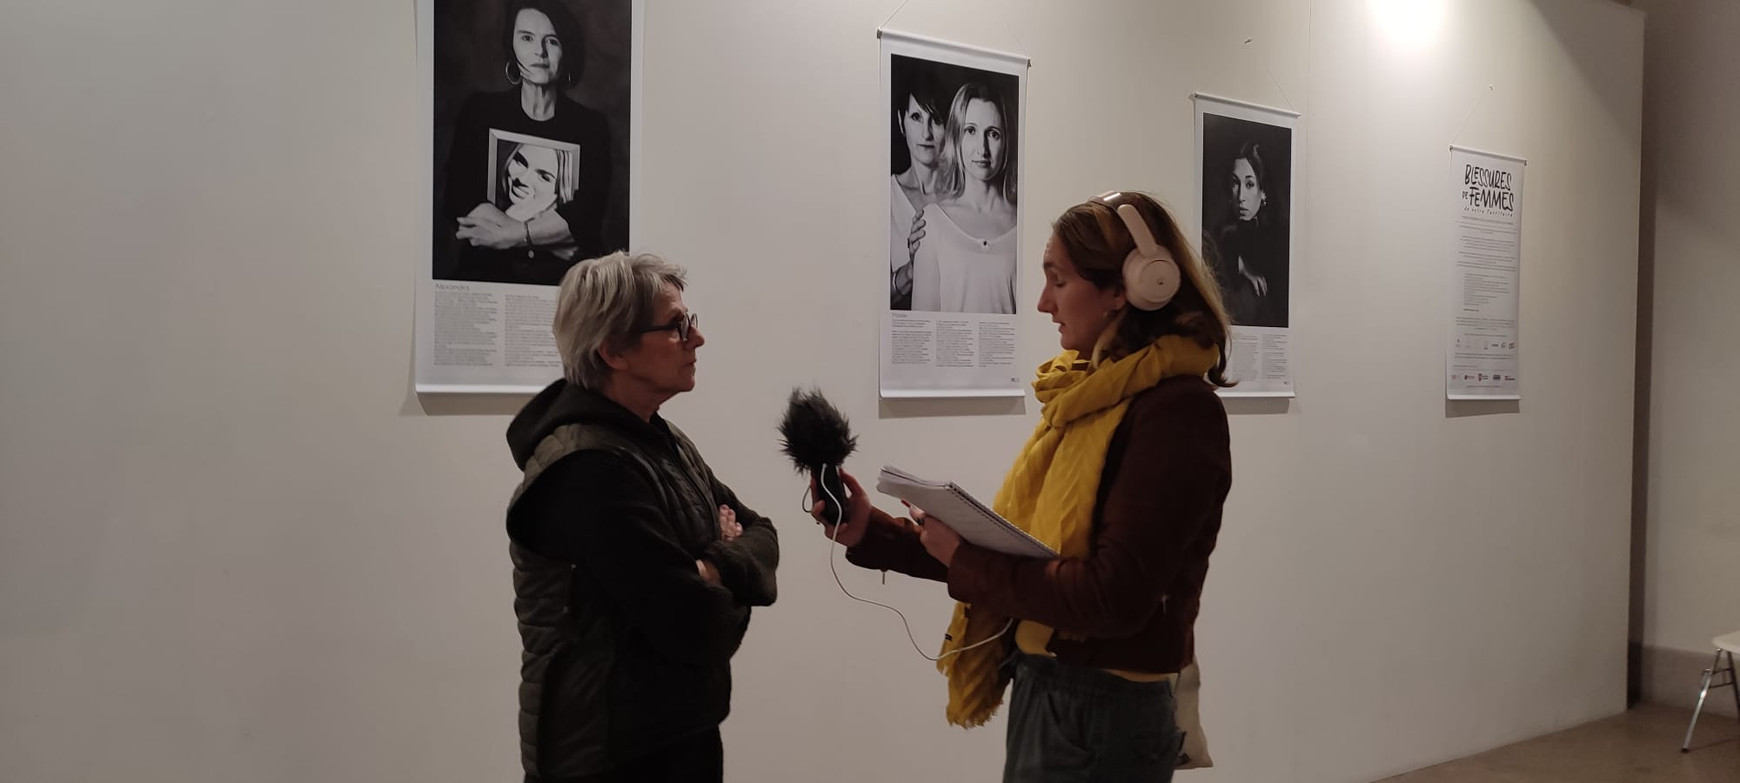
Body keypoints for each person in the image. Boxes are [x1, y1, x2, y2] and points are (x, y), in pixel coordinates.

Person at [819, 192, 1235, 782]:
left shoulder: (1176, 413)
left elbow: (1110, 599)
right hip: (1054, 689)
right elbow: (1028, 563)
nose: (1042, 303)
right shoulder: (1087, 397)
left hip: (1103, 707)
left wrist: (966, 559)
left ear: (1129, 288)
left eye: (1057, 282)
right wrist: (875, 534)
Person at [505, 252, 779, 782]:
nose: (696, 339)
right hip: (611, 754)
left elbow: (764, 534)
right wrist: (721, 564)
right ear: (614, 350)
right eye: (677, 327)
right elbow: (693, 623)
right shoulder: (586, 470)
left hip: (676, 735)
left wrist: (709, 566)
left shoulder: (660, 439)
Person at [441, 0, 612, 285]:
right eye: (527, 38)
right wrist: (546, 235)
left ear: (566, 50)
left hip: (567, 281)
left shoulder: (591, 127)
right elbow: (459, 197)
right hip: (487, 274)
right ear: (512, 45)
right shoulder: (480, 112)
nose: (539, 52)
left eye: (552, 41)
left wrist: (508, 236)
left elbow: (586, 217)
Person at [910, 81, 1019, 315]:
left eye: (993, 133)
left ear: (1007, 141)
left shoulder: (1024, 224)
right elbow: (923, 329)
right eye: (970, 130)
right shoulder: (932, 222)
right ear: (956, 137)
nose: (983, 148)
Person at [1205, 141, 1287, 327]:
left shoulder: (1279, 237)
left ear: (1263, 191)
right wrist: (1240, 265)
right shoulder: (1219, 234)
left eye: (1249, 184)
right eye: (1235, 183)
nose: (1241, 196)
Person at [889, 65, 948, 310]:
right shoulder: (886, 196)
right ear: (901, 123)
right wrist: (914, 269)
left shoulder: (966, 196)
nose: (926, 132)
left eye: (935, 119)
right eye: (916, 117)